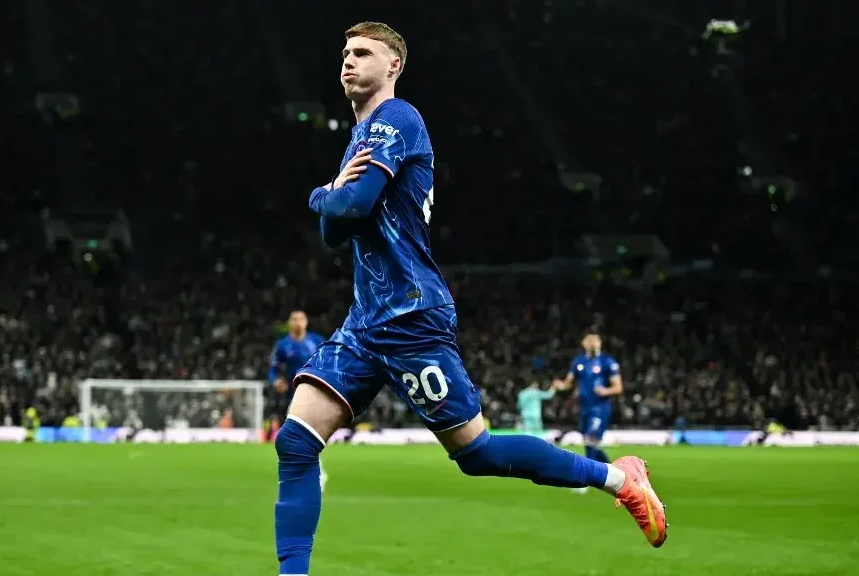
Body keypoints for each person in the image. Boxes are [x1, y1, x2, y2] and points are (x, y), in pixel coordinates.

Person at [273, 22, 667, 576]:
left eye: (363, 52)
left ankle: (621, 480)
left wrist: (324, 192)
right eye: (344, 52)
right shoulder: (359, 137)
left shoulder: (398, 119)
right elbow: (333, 235)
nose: (348, 61)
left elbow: (352, 207)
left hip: (411, 313)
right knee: (294, 442)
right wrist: (334, 201)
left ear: (394, 67)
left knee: (477, 454)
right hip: (367, 320)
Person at [553, 331, 624, 493]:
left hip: (600, 408)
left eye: (595, 339)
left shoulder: (607, 361)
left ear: (600, 342)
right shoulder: (579, 362)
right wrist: (560, 385)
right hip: (584, 408)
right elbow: (568, 383)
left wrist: (605, 391)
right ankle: (615, 473)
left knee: (591, 439)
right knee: (589, 443)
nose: (592, 342)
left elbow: (618, 387)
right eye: (588, 339)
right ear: (583, 343)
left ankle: (585, 481)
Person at [268, 310, 328, 491]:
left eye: (300, 319)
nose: (297, 322)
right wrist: (276, 381)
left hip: (313, 394)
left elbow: (328, 362)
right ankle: (306, 472)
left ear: (306, 322)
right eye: (293, 319)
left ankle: (315, 472)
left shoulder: (316, 341)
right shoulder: (282, 345)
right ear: (288, 323)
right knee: (295, 436)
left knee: (307, 434)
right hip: (291, 396)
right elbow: (273, 369)